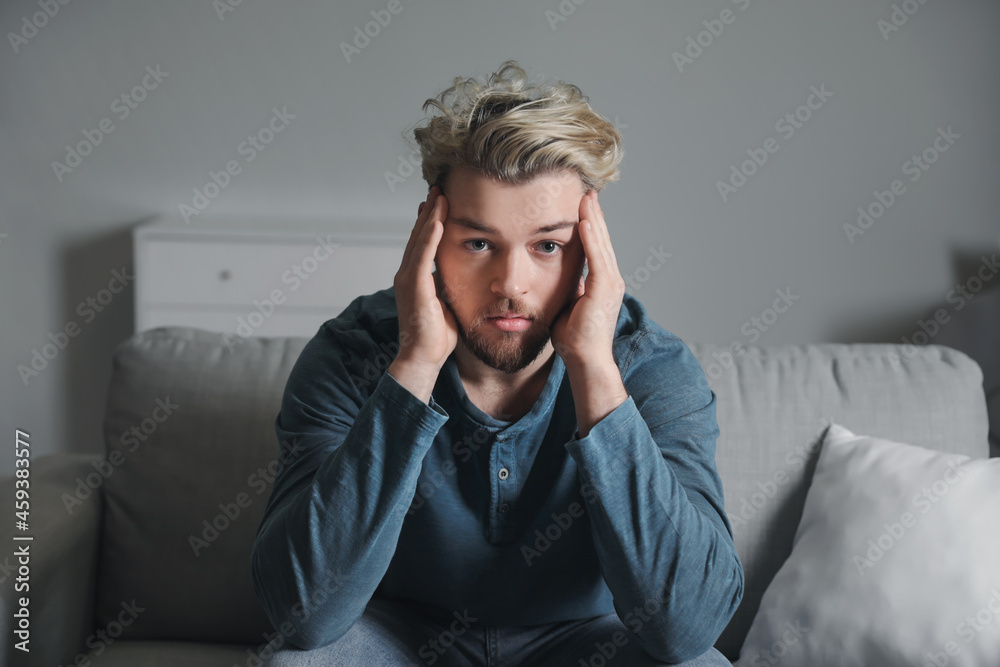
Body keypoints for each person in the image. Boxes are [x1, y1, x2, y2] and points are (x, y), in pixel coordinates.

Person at [250, 60, 742, 666]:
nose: (511, 284)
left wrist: (594, 370)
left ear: (590, 253)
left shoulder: (651, 367)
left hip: (585, 643)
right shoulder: (352, 354)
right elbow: (301, 615)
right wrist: (414, 363)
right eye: (479, 243)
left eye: (548, 246)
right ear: (430, 239)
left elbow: (687, 629)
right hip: (401, 640)